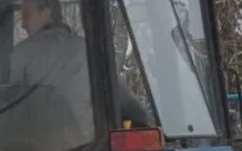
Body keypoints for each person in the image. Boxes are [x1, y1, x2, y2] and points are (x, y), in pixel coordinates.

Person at [9, 0, 152, 141]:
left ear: (47, 12)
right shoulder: (89, 51)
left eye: (27, 15)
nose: (22, 24)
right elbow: (132, 108)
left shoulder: (21, 55)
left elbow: (10, 115)